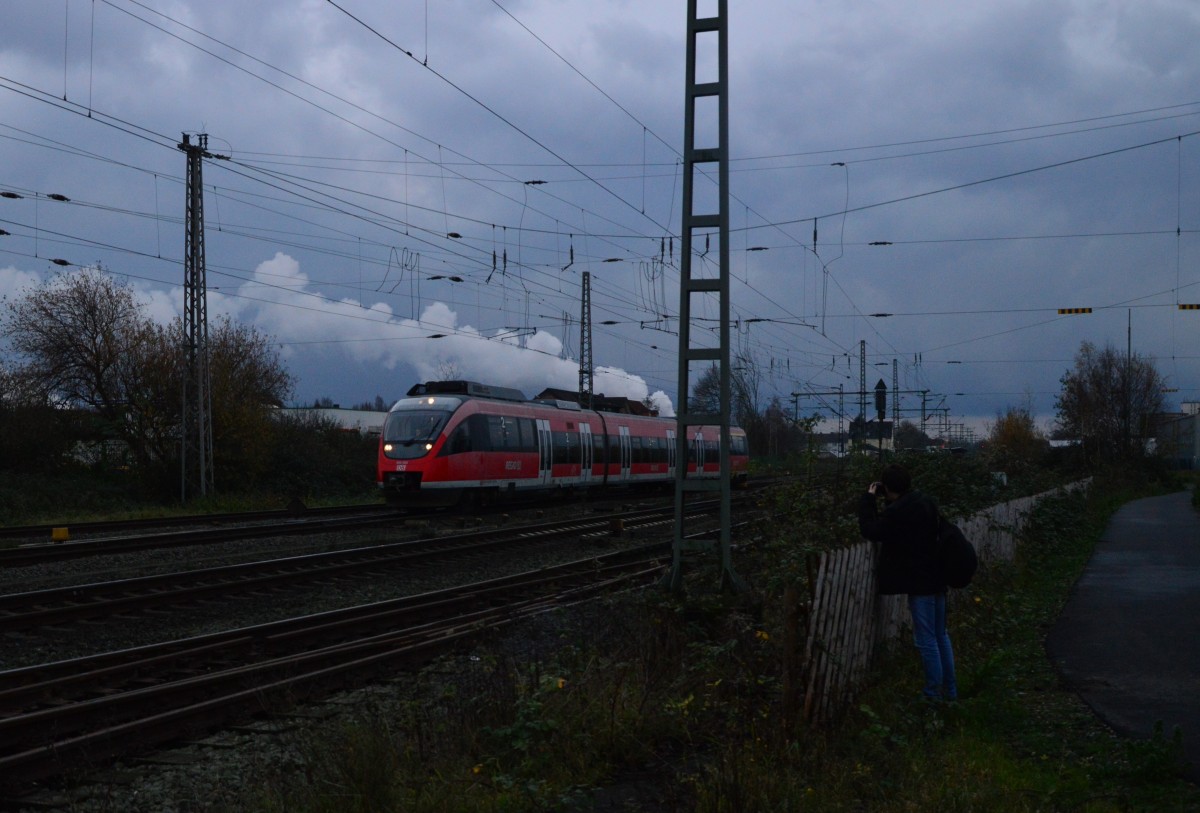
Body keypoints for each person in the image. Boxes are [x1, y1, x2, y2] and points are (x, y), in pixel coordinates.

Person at [858, 463, 957, 702]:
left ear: (886, 487)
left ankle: (933, 695)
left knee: (926, 640)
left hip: (920, 583)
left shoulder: (898, 512)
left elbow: (871, 530)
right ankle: (950, 691)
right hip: (938, 576)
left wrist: (868, 499)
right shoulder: (925, 501)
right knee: (940, 635)